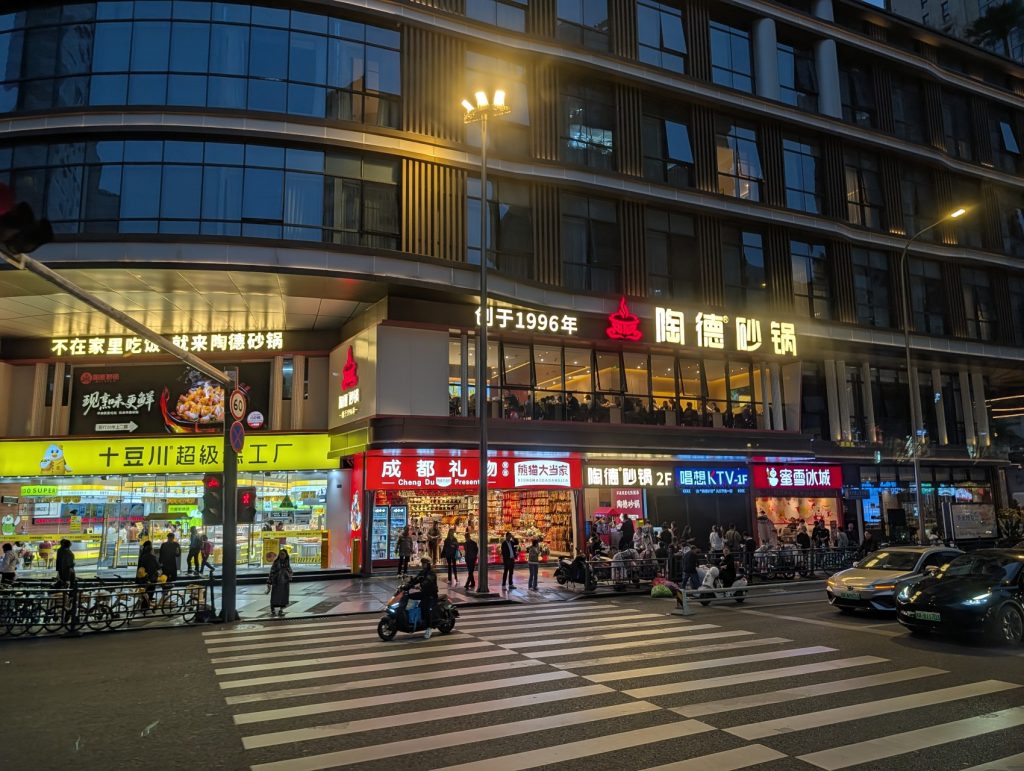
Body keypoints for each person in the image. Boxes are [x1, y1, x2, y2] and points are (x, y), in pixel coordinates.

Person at [407, 557, 438, 638]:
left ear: (428, 564)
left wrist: (421, 585)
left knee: (424, 607)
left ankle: (429, 628)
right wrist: (408, 584)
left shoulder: (431, 573)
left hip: (431, 594)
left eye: (425, 563)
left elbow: (428, 581)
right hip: (424, 593)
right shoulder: (422, 572)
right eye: (422, 563)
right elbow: (416, 579)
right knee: (409, 597)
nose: (423, 565)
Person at [267, 549, 293, 617]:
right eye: (281, 554)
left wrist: (289, 576)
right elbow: (271, 572)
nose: (282, 555)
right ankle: (273, 609)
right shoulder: (276, 562)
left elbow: (290, 571)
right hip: (277, 582)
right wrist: (269, 582)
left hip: (284, 583)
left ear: (286, 555)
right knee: (274, 597)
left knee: (283, 597)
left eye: (283, 554)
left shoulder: (287, 563)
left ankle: (281, 610)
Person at [136, 540, 160, 609]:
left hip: (142, 578)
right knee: (149, 592)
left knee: (144, 593)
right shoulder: (152, 557)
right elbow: (157, 566)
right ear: (150, 550)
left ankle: (144, 606)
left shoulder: (142, 556)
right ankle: (146, 606)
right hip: (150, 578)